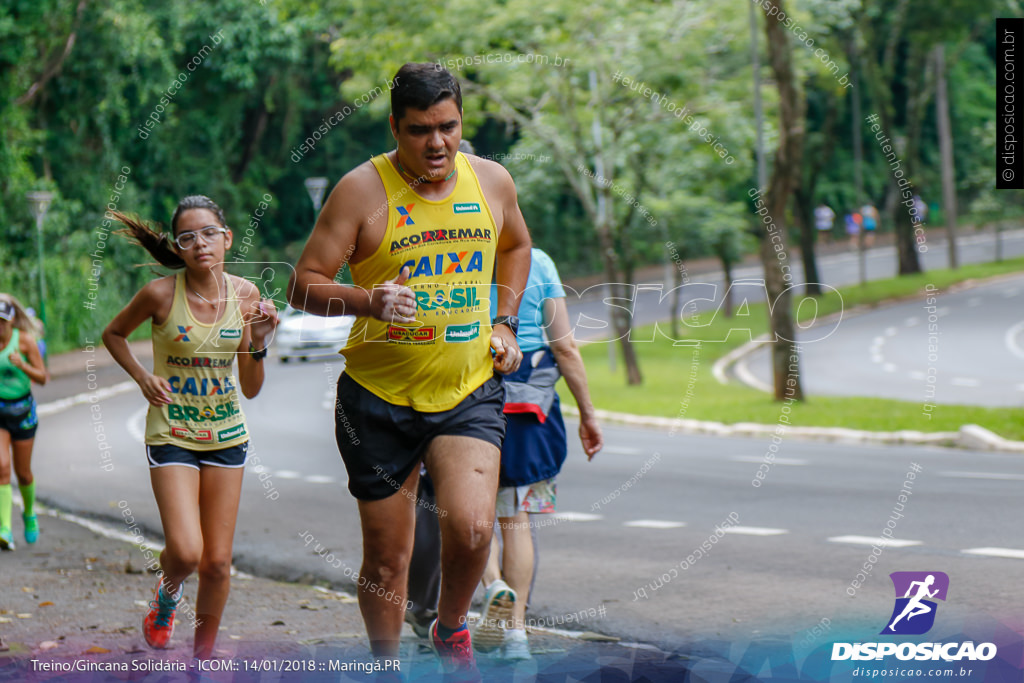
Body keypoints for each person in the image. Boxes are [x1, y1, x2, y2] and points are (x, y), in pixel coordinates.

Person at [287, 63, 532, 678]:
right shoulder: (361, 192)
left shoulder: (492, 182)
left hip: (467, 387)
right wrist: (368, 299)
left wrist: (505, 321)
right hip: (378, 397)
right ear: (395, 126)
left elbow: (516, 245)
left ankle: (450, 627)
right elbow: (303, 285)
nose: (437, 144)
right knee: (388, 561)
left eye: (448, 127)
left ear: (460, 123)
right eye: (420, 130)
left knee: (475, 530)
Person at [102, 195, 278, 660]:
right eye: (188, 237)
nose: (200, 243)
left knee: (218, 563)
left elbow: (252, 386)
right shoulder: (160, 294)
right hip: (172, 433)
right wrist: (143, 377)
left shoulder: (246, 296)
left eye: (208, 234)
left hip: (227, 434)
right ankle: (167, 593)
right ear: (178, 248)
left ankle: (202, 658)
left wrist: (259, 342)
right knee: (185, 552)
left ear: (227, 238)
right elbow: (113, 334)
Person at [472, 247, 603, 660]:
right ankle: (516, 637)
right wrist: (587, 414)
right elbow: (565, 349)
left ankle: (494, 588)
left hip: (466, 394)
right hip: (529, 401)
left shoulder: (461, 253)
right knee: (516, 518)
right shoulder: (540, 261)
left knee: (471, 515)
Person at [0, 294, 48, 550]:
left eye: (3, 321)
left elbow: (43, 378)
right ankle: (4, 529)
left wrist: (22, 365)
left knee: (23, 473)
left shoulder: (25, 342)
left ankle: (29, 512)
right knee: (1, 468)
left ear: (12, 321)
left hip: (23, 413)